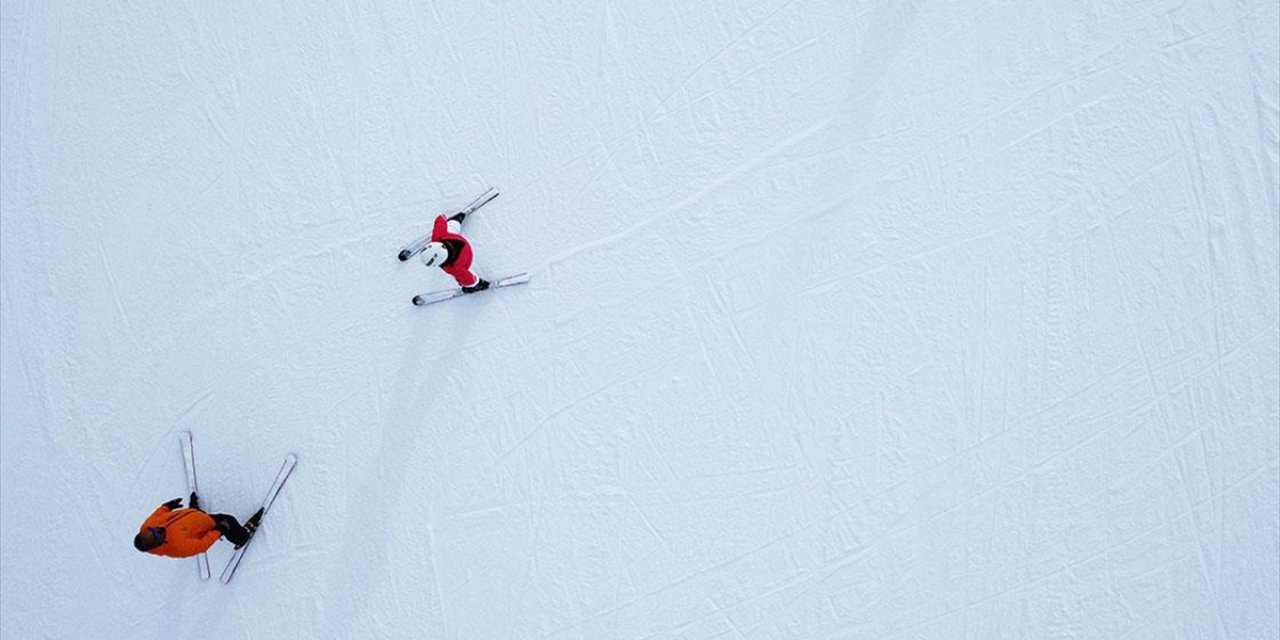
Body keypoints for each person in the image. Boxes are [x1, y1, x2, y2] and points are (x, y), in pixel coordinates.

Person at [133, 493, 261, 558]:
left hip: (191, 518)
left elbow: (157, 515)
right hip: (205, 525)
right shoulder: (178, 547)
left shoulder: (147, 526)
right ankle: (242, 538)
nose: (156, 530)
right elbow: (202, 546)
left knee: (195, 516)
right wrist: (218, 530)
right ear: (155, 544)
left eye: (151, 529)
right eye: (155, 535)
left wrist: (167, 506)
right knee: (229, 520)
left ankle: (195, 510)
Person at [419, 210, 490, 293]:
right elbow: (440, 221)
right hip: (459, 241)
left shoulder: (454, 268)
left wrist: (467, 283)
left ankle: (478, 284)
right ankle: (457, 220)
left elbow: (468, 279)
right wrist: (442, 217)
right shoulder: (437, 237)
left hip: (467, 260)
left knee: (467, 276)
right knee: (451, 227)